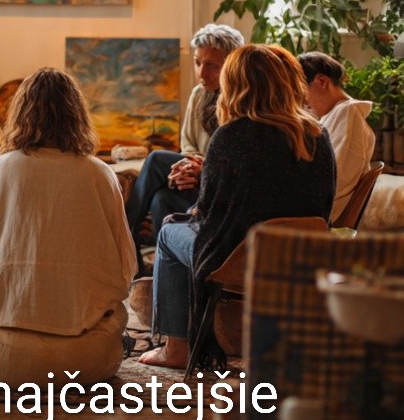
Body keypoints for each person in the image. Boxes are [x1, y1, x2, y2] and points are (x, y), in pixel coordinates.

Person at [140, 44, 335, 371]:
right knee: (177, 219)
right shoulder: (318, 133)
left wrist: (194, 205)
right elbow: (325, 201)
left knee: (168, 232)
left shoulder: (231, 136)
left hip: (240, 260)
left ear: (235, 86)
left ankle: (176, 348)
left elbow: (208, 214)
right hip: (303, 255)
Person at [0, 67, 138, 386]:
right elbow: (125, 269)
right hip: (83, 360)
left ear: (20, 114)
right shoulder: (100, 174)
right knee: (114, 316)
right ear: (77, 116)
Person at [124, 24, 245, 254]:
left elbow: (235, 162)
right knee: (160, 199)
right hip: (199, 179)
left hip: (221, 189)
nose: (201, 73)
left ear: (232, 65)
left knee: (157, 159)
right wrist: (186, 168)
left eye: (211, 65)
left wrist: (202, 168)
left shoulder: (242, 101)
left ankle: (122, 233)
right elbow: (187, 143)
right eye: (198, 63)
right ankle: (154, 261)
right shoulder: (199, 94)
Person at [299, 51, 375, 222]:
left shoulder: (347, 113)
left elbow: (337, 180)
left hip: (323, 216)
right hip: (321, 210)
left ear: (321, 81)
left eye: (302, 93)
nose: (302, 102)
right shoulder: (336, 114)